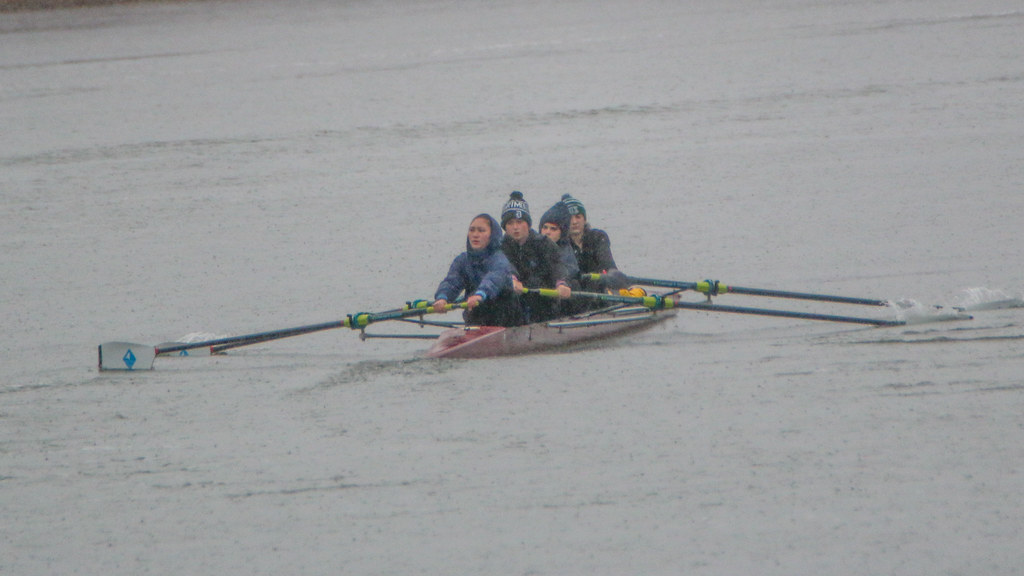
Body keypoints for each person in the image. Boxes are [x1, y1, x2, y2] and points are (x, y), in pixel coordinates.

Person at [432, 214, 521, 327]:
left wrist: (480, 294)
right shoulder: (462, 260)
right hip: (476, 317)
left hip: (504, 319)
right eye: (472, 230)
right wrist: (442, 297)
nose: (475, 235)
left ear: (491, 236)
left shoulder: (499, 260)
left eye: (481, 231)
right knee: (474, 310)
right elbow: (452, 282)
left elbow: (493, 279)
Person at [499, 191, 571, 323]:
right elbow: (503, 267)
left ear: (528, 224)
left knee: (534, 282)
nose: (515, 227)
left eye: (520, 222)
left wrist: (561, 284)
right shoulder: (501, 247)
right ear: (505, 227)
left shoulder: (543, 243)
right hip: (514, 302)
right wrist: (512, 280)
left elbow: (557, 266)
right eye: (510, 223)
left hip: (544, 303)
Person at [560, 193, 628, 292]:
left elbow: (608, 264)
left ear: (585, 219)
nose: (574, 222)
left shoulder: (598, 237)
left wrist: (612, 275)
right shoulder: (561, 243)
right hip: (573, 289)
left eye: (578, 217)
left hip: (599, 286)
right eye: (570, 218)